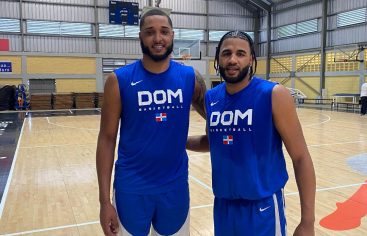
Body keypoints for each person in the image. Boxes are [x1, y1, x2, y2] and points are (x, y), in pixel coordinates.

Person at [186, 30, 316, 235]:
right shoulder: (212, 98)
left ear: (251, 59)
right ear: (218, 59)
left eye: (240, 53)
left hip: (262, 209)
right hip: (223, 207)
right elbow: (214, 142)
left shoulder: (273, 94)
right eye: (226, 53)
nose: (232, 60)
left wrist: (307, 222)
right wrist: (180, 141)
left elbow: (301, 158)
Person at [96, 9, 206, 236]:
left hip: (175, 188)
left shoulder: (190, 78)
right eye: (150, 32)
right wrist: (104, 202)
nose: (158, 38)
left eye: (164, 32)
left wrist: (194, 143)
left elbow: (219, 120)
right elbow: (107, 140)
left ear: (173, 35)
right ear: (140, 37)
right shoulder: (119, 80)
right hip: (132, 189)